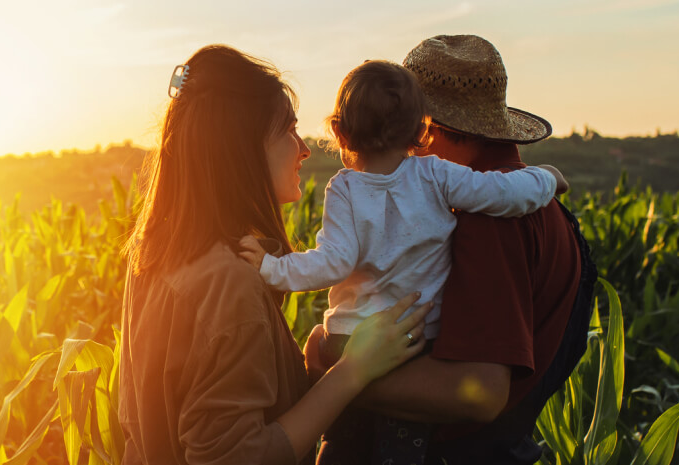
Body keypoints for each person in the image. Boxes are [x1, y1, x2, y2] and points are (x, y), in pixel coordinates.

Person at [232, 58, 568, 463]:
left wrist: (272, 270)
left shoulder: (344, 188)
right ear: (420, 132)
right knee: (402, 439)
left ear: (338, 131)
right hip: (415, 339)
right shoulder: (438, 176)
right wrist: (548, 177)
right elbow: (504, 193)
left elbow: (332, 262)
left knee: (343, 437)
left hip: (348, 341)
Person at [118, 44, 435, 465]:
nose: (303, 149)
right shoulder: (229, 283)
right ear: (242, 149)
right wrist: (353, 370)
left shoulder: (155, 255)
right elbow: (236, 457)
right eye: (288, 130)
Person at [304, 35, 598, 464]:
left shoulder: (487, 222)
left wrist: (332, 371)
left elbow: (480, 392)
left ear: (425, 130)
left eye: (394, 136)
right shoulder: (538, 203)